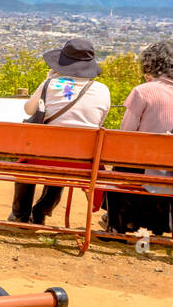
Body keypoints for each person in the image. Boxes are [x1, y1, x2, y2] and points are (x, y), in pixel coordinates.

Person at [103, 40, 173, 235]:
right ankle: (158, 225)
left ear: (151, 63)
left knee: (122, 165)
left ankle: (118, 223)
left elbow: (126, 134)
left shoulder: (143, 91)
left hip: (142, 165)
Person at [10, 37, 112, 226]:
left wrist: (49, 80)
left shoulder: (50, 85)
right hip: (83, 161)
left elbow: (28, 110)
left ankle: (19, 213)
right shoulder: (103, 90)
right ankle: (41, 210)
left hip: (43, 155)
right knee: (66, 159)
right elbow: (98, 122)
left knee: (29, 160)